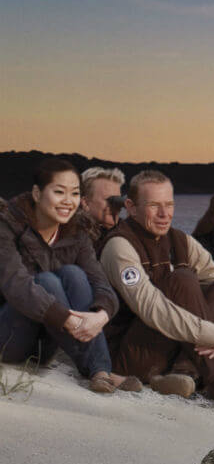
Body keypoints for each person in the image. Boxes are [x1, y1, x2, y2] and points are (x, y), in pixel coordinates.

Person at [99, 169, 214, 406]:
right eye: (154, 205)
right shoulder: (119, 246)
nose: (164, 214)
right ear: (131, 207)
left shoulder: (180, 241)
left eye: (169, 205)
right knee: (183, 280)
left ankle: (183, 372)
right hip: (129, 355)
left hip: (168, 349)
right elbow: (151, 308)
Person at [0, 158, 140, 394]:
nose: (68, 201)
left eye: (74, 193)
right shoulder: (7, 225)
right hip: (8, 336)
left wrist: (101, 316)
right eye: (59, 192)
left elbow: (101, 284)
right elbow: (17, 286)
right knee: (46, 281)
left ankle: (99, 370)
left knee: (73, 273)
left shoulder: (77, 233)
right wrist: (69, 320)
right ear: (37, 193)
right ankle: (100, 370)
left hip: (45, 346)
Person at [78, 166, 125, 253]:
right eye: (108, 199)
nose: (115, 205)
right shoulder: (72, 237)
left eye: (118, 199)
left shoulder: (126, 231)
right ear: (86, 203)